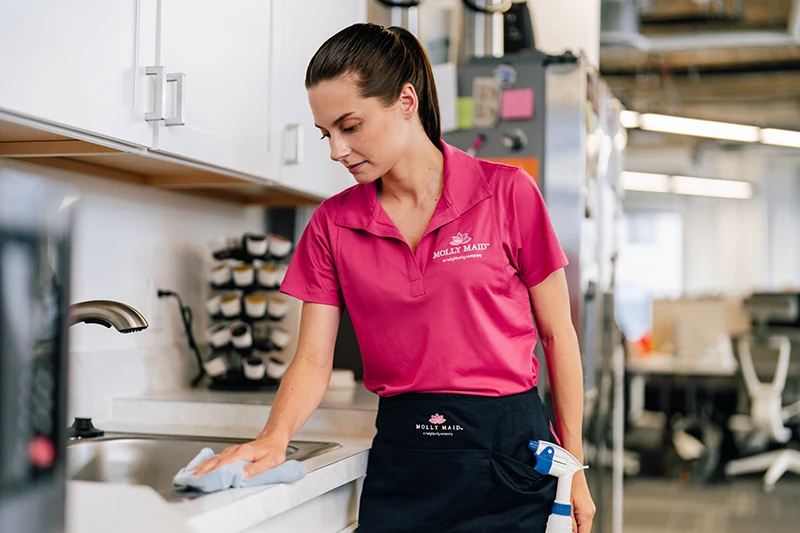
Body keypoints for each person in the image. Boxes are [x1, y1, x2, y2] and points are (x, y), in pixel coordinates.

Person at [193, 22, 595, 533]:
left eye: (350, 126)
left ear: (406, 101)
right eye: (326, 134)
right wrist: (275, 436)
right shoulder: (332, 224)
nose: (336, 150)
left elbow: (559, 336)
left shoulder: (507, 193)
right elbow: (313, 360)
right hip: (405, 464)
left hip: (508, 461)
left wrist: (575, 466)